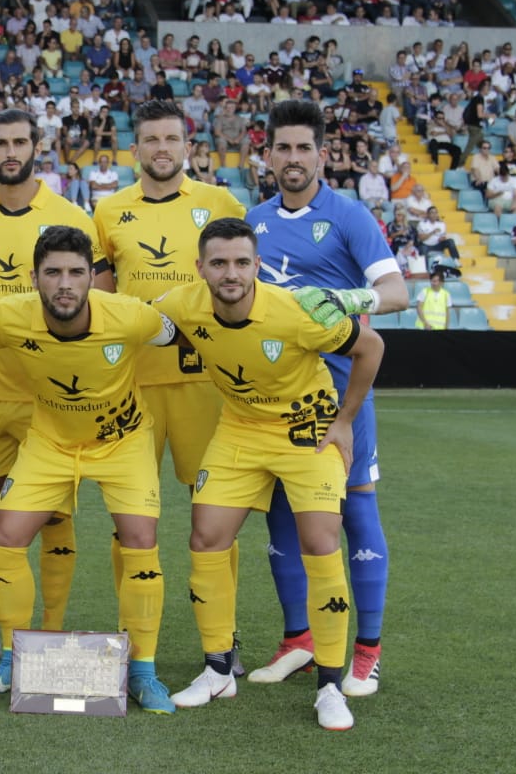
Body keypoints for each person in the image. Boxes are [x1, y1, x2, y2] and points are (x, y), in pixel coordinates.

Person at [154, 217, 384, 731]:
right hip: (239, 429)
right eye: (219, 263)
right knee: (206, 536)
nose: (230, 273)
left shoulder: (295, 311)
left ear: (257, 266)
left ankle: (329, 684)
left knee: (321, 542)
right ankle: (217, 668)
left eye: (241, 262)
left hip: (307, 430)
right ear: (201, 268)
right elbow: (142, 325)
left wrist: (345, 421)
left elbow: (371, 347)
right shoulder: (181, 304)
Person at [0, 225, 177, 714]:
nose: (64, 283)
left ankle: (143, 671)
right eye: (53, 272)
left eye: (76, 272)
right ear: (34, 277)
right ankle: (12, 661)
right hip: (51, 442)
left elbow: (182, 331)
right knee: (7, 535)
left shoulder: (130, 317)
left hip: (123, 441)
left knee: (140, 540)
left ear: (92, 279)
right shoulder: (11, 317)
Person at [0, 110, 110, 670]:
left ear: (38, 146)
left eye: (19, 141)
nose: (10, 151)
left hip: (48, 394)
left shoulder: (69, 215)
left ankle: (49, 634)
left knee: (53, 513)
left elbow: (95, 295)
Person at [244, 100, 408, 697]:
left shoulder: (348, 216)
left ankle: (367, 650)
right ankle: (300, 641)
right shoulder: (254, 219)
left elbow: (396, 291)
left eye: (303, 148)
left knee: (356, 512)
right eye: (282, 148)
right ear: (267, 155)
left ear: (322, 154)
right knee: (283, 516)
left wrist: (343, 301)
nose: (292, 158)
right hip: (276, 397)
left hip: (341, 399)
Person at [90, 95, 246, 641]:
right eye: (151, 139)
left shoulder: (220, 200)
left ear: (188, 146)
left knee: (215, 517)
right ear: (135, 149)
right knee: (130, 519)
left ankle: (223, 640)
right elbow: (102, 300)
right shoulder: (108, 212)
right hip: (132, 388)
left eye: (171, 139)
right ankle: (132, 636)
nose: (162, 148)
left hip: (207, 383)